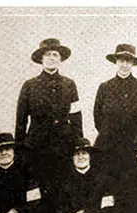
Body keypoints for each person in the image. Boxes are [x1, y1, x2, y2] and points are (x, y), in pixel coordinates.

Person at [15, 38, 83, 186]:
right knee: (39, 186)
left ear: (60, 59)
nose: (51, 58)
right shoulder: (30, 85)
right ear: (41, 59)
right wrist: (20, 149)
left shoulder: (69, 84)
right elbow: (21, 120)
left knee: (63, 186)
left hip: (64, 146)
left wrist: (79, 144)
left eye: (55, 55)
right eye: (48, 55)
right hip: (37, 146)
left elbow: (76, 116)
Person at [93, 43, 137, 180]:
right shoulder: (105, 87)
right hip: (109, 146)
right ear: (116, 62)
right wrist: (108, 135)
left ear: (133, 63)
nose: (125, 64)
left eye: (128, 60)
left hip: (132, 147)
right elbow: (97, 117)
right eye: (121, 60)